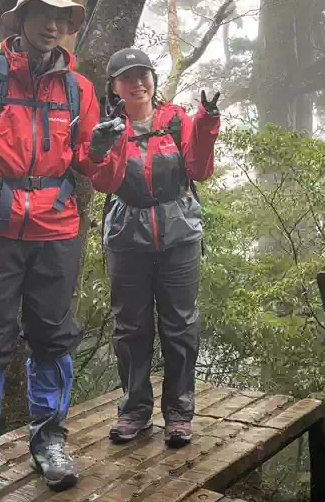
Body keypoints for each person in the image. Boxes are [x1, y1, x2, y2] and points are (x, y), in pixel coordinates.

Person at [0, 0, 125, 502]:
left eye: (63, 18)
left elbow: (89, 166)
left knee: (53, 339)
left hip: (56, 230)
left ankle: (51, 441)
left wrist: (104, 146)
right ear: (20, 18)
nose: (55, 25)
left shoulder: (78, 89)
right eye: (44, 13)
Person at [90, 48, 220, 448]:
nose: (138, 83)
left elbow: (199, 169)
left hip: (178, 232)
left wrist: (208, 122)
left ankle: (179, 415)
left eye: (143, 74)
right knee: (130, 327)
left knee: (180, 326)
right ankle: (134, 412)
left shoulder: (177, 119)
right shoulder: (109, 127)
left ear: (153, 79)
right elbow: (104, 182)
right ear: (114, 87)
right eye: (127, 77)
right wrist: (102, 147)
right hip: (127, 236)